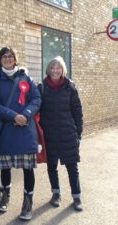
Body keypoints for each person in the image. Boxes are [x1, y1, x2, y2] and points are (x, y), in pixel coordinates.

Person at [0, 47, 41, 220]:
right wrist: (14, 116)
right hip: (6, 130)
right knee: (5, 168)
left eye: (11, 56)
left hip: (25, 130)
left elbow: (36, 98)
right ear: (0, 59)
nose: (8, 59)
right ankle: (6, 196)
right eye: (4, 56)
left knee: (27, 169)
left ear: (15, 59)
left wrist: (25, 114)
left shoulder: (26, 76)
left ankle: (27, 202)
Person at [38, 56, 83, 211]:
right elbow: (37, 110)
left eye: (58, 68)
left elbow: (77, 111)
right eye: (52, 67)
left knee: (72, 167)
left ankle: (77, 197)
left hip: (68, 133)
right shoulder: (42, 87)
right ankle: (56, 194)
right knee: (52, 167)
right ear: (48, 70)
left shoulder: (70, 87)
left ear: (63, 69)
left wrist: (79, 133)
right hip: (49, 135)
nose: (55, 70)